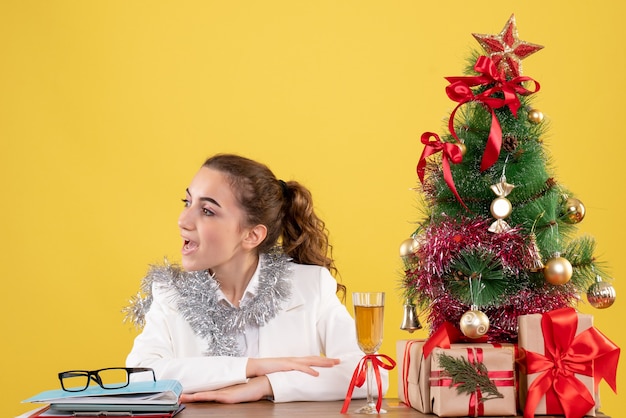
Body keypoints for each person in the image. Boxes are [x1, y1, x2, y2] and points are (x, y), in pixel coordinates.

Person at [124, 154, 388, 404]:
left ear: (252, 236)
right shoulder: (170, 293)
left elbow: (372, 374)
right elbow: (141, 376)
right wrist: (252, 367)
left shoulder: (310, 286)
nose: (183, 220)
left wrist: (266, 385)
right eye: (187, 202)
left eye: (207, 211)